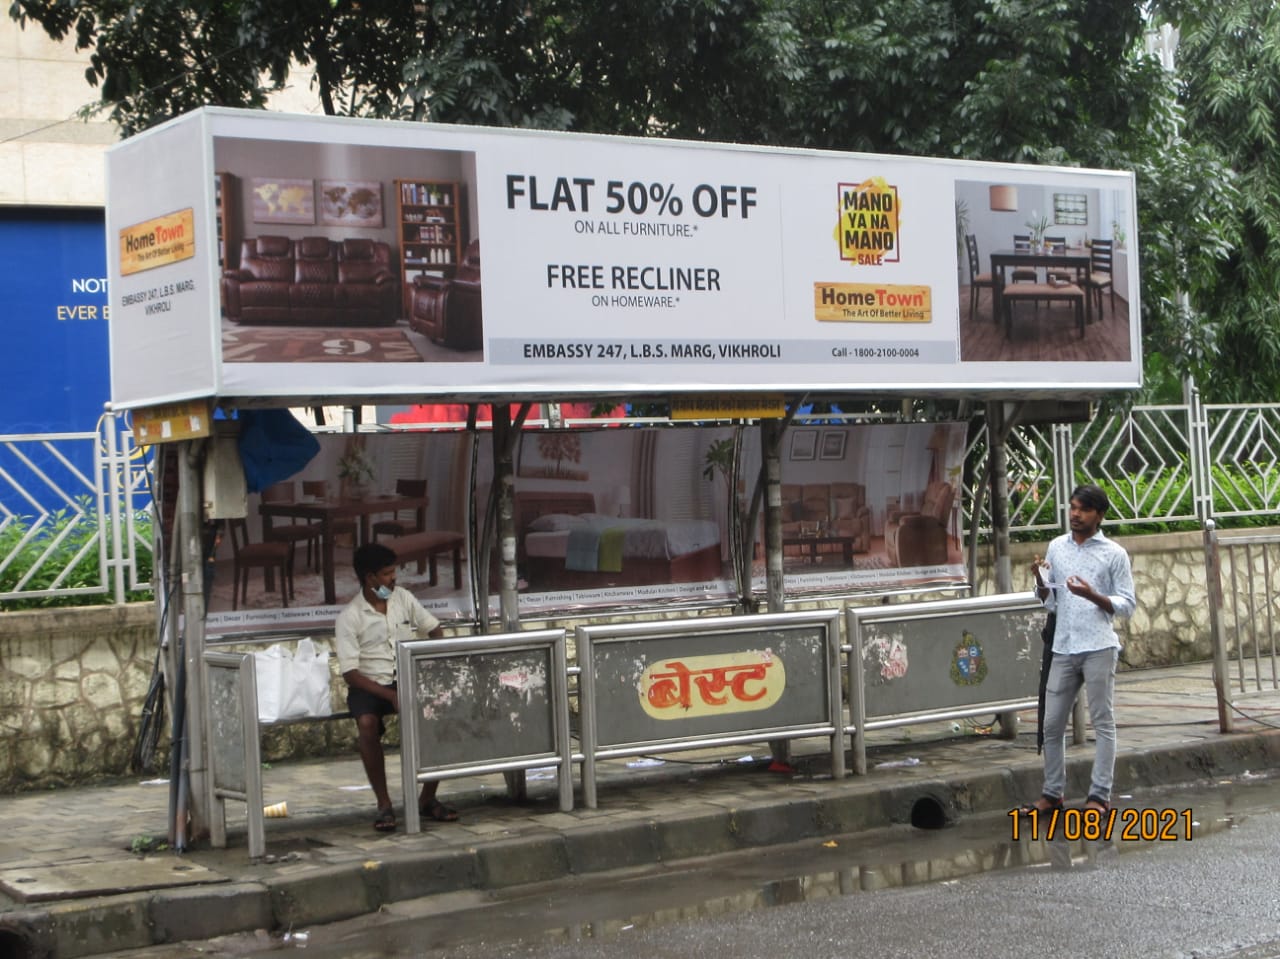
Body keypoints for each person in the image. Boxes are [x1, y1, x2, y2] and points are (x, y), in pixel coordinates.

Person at [1020, 483, 1136, 817]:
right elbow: (1051, 603)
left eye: (1083, 509)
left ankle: (1099, 796)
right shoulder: (1057, 547)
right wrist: (1041, 582)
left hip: (1099, 646)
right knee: (1051, 724)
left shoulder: (1113, 553)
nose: (1075, 514)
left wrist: (1093, 596)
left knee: (1102, 722)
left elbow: (1127, 604)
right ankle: (1052, 793)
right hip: (1064, 647)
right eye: (1072, 507)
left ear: (1098, 515)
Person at [335, 541, 459, 832]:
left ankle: (427, 799)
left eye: (394, 572)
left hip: (406, 677)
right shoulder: (349, 617)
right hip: (370, 685)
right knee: (366, 724)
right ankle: (384, 805)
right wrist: (390, 694)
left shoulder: (404, 598)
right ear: (370, 578)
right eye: (388, 573)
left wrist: (433, 666)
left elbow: (434, 628)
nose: (394, 578)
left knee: (437, 717)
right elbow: (351, 674)